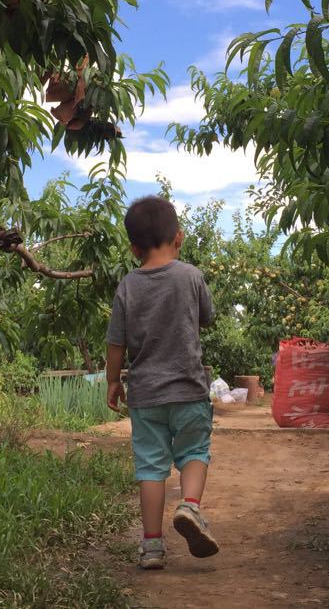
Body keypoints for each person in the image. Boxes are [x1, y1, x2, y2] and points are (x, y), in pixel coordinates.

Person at [106, 195, 219, 571]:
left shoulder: (127, 286)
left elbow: (116, 342)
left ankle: (152, 547)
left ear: (134, 247)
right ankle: (190, 507)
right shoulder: (191, 276)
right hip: (188, 390)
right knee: (194, 453)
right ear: (179, 238)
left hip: (146, 396)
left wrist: (111, 382)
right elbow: (208, 317)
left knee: (151, 469)